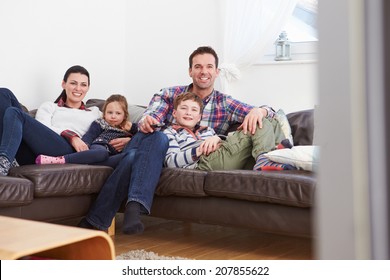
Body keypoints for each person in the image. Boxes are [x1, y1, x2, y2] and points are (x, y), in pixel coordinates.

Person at [79, 46, 280, 235]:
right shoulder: (169, 94)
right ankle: (131, 208)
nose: (204, 71)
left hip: (173, 156)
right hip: (157, 142)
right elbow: (152, 117)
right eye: (198, 66)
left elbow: (269, 113)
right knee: (156, 137)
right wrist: (149, 120)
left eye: (209, 67)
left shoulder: (224, 103)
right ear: (190, 71)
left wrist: (259, 110)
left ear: (216, 72)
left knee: (131, 157)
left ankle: (96, 221)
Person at [0, 65, 110, 176]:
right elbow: (42, 129)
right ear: (64, 84)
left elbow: (116, 125)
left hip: (69, 153)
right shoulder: (50, 107)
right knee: (4, 93)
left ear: (88, 88)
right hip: (39, 150)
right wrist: (71, 136)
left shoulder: (95, 112)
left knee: (15, 113)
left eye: (83, 85)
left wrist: (126, 137)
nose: (78, 88)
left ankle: (4, 162)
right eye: (73, 83)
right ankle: (6, 159)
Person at [163, 92, 295, 171]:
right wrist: (198, 151)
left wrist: (218, 138)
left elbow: (225, 146)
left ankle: (275, 157)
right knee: (259, 122)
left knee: (271, 121)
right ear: (174, 113)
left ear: (199, 117)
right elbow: (171, 161)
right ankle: (269, 156)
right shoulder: (170, 133)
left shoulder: (207, 130)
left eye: (193, 110)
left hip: (225, 155)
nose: (188, 113)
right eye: (184, 108)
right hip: (204, 162)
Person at [35, 94, 138, 167]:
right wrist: (84, 146)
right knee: (102, 153)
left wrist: (130, 136)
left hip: (109, 158)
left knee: (130, 157)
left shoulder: (128, 127)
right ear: (104, 113)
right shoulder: (100, 123)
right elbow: (89, 136)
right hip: (99, 147)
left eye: (118, 113)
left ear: (125, 115)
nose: (113, 116)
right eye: (110, 112)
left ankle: (88, 161)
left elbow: (142, 131)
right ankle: (60, 160)